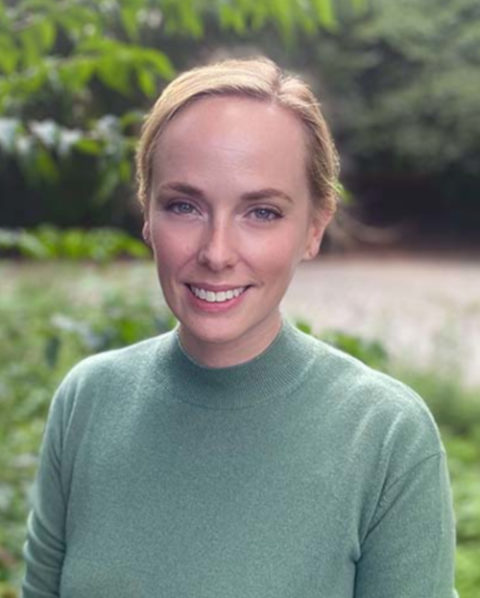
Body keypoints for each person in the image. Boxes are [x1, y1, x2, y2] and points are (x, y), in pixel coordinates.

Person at [22, 57, 457, 597]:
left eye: (262, 212)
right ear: (147, 215)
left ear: (314, 227)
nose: (217, 252)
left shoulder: (387, 437)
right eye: (184, 206)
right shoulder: (87, 402)